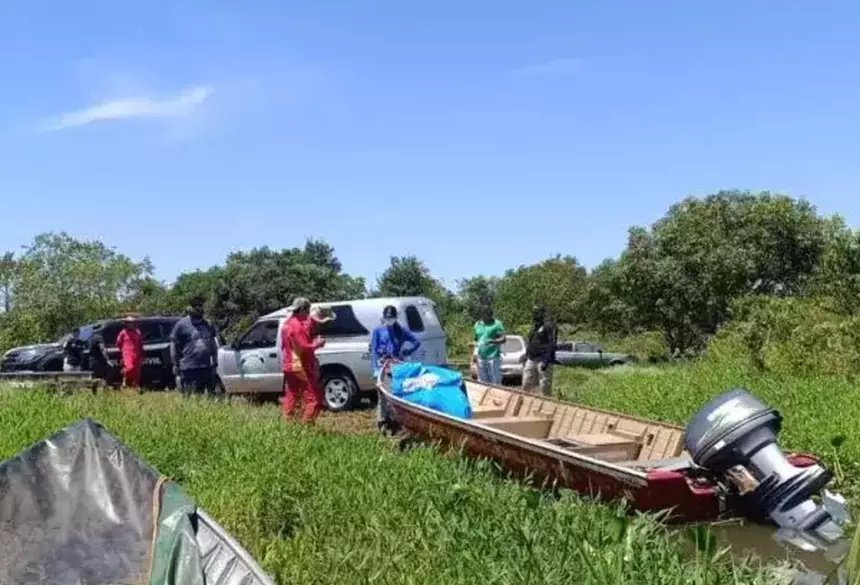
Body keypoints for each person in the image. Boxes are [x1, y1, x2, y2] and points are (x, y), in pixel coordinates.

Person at [370, 305, 421, 434]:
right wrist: (375, 368)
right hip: (382, 365)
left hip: (397, 365)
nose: (389, 320)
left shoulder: (401, 330)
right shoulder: (378, 331)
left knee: (396, 393)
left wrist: (408, 351)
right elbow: (374, 351)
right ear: (384, 317)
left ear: (396, 317)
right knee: (382, 394)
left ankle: (395, 421)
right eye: (387, 317)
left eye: (392, 317)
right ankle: (381, 421)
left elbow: (416, 342)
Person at [281, 297, 326, 424]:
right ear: (302, 309)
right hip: (300, 365)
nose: (308, 314)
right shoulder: (296, 326)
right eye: (307, 311)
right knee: (313, 398)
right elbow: (303, 347)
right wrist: (317, 344)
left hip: (289, 364)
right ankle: (307, 426)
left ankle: (288, 424)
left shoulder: (287, 324)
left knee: (292, 396)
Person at [170, 296, 219, 397]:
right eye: (195, 306)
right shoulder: (181, 325)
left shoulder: (208, 324)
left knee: (208, 397)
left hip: (206, 367)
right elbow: (173, 345)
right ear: (190, 308)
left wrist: (215, 361)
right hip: (189, 368)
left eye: (200, 306)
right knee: (190, 396)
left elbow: (214, 344)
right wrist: (175, 363)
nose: (198, 308)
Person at [522, 305, 558, 396]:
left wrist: (546, 361)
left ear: (542, 313)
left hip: (543, 360)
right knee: (526, 384)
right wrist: (526, 355)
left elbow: (552, 344)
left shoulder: (549, 325)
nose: (535, 314)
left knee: (544, 386)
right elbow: (530, 341)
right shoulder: (534, 325)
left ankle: (546, 405)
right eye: (534, 312)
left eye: (537, 312)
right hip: (531, 359)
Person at [473, 307, 506, 385]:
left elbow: (503, 339)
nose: (489, 316)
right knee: (482, 382)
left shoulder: (497, 324)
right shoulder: (477, 324)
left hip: (493, 358)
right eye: (487, 314)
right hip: (481, 358)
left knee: (495, 382)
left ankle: (497, 396)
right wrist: (474, 353)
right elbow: (476, 340)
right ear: (483, 314)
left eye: (490, 315)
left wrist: (493, 341)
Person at [116, 316, 144, 389]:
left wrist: (141, 354)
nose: (130, 324)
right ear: (126, 324)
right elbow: (118, 343)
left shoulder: (137, 332)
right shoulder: (123, 333)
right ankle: (124, 378)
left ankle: (135, 385)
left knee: (137, 370)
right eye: (128, 323)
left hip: (136, 353)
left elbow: (141, 343)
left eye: (131, 322)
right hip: (127, 353)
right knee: (129, 368)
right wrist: (123, 350)